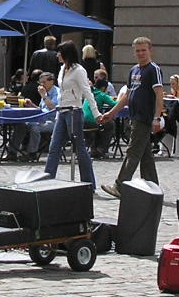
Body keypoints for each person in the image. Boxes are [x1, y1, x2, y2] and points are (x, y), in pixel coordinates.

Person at [97, 36, 166, 197]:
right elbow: (127, 96)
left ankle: (120, 186)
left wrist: (157, 117)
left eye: (143, 50)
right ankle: (152, 187)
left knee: (133, 152)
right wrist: (111, 113)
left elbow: (159, 94)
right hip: (134, 115)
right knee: (145, 154)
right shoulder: (133, 70)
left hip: (144, 117)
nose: (140, 53)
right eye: (137, 51)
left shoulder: (153, 69)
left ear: (150, 50)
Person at [42, 41, 97, 187]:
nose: (58, 55)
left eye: (60, 52)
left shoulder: (79, 70)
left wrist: (96, 113)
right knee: (54, 146)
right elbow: (62, 92)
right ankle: (47, 179)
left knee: (79, 149)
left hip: (74, 112)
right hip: (62, 111)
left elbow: (87, 92)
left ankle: (89, 183)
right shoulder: (62, 69)